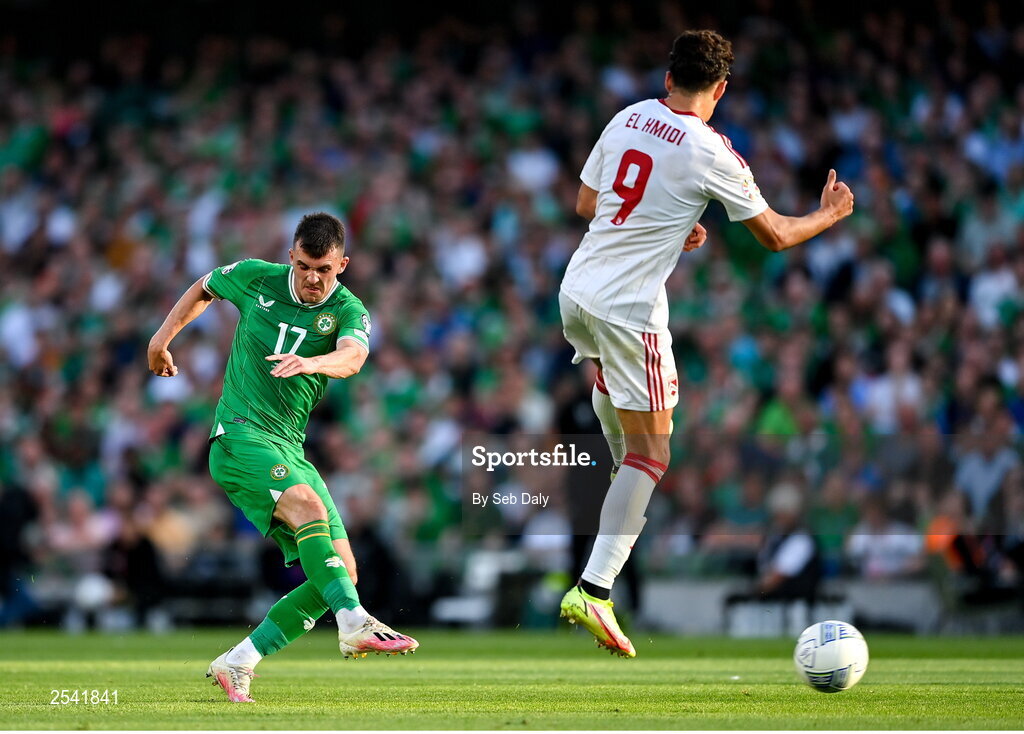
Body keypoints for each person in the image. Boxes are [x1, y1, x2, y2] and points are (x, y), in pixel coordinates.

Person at [557, 30, 854, 657]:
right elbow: (773, 235)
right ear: (720, 89)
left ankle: (620, 479)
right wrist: (829, 214)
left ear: (668, 79)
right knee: (653, 454)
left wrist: (669, 224)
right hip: (629, 310)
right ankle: (595, 588)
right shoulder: (712, 150)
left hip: (576, 292)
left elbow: (588, 202)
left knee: (627, 427)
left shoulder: (628, 116)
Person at [148, 212, 417, 703]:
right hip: (240, 436)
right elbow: (205, 286)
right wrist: (161, 339)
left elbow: (353, 358)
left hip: (289, 447)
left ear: (343, 265)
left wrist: (311, 362)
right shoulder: (257, 277)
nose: (314, 278)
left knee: (343, 573)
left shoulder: (350, 310)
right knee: (312, 516)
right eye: (305, 266)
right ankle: (354, 622)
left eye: (326, 270)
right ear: (291, 256)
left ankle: (240, 661)